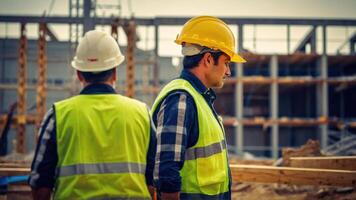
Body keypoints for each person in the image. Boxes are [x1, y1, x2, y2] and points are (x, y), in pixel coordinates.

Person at [29, 30, 156, 200]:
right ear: (115, 72)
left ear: (79, 74)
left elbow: (41, 183)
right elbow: (154, 179)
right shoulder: (142, 114)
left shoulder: (57, 116)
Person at [150, 16, 246, 199]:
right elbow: (166, 172)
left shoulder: (197, 97)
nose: (228, 71)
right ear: (208, 59)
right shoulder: (181, 99)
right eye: (226, 62)